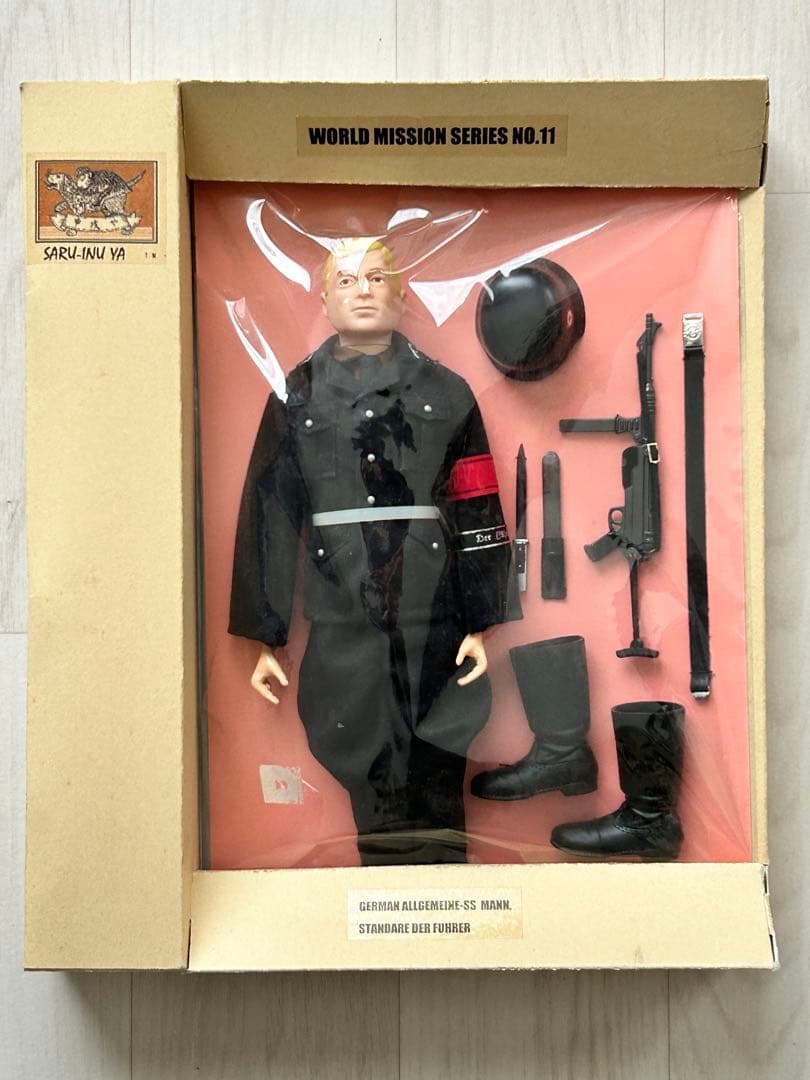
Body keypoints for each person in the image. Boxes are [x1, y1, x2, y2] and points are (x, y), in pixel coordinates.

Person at [229, 238, 519, 864]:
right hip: (342, 617)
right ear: (325, 300)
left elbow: (475, 499)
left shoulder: (447, 391)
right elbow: (269, 512)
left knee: (439, 757)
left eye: (377, 277)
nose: (362, 290)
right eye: (346, 280)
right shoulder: (295, 396)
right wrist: (265, 633)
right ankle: (386, 887)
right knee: (361, 754)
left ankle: (445, 887)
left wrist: (482, 617)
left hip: (434, 614)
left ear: (402, 295)